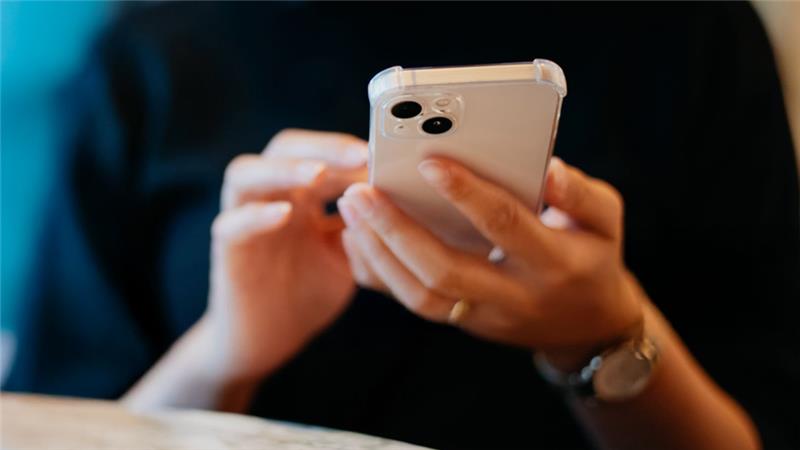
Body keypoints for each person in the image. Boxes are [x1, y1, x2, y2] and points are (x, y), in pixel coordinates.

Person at [6, 3, 799, 449]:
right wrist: (225, 352)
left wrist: (602, 336)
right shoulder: (155, 54)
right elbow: (54, 427)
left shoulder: (692, 35)